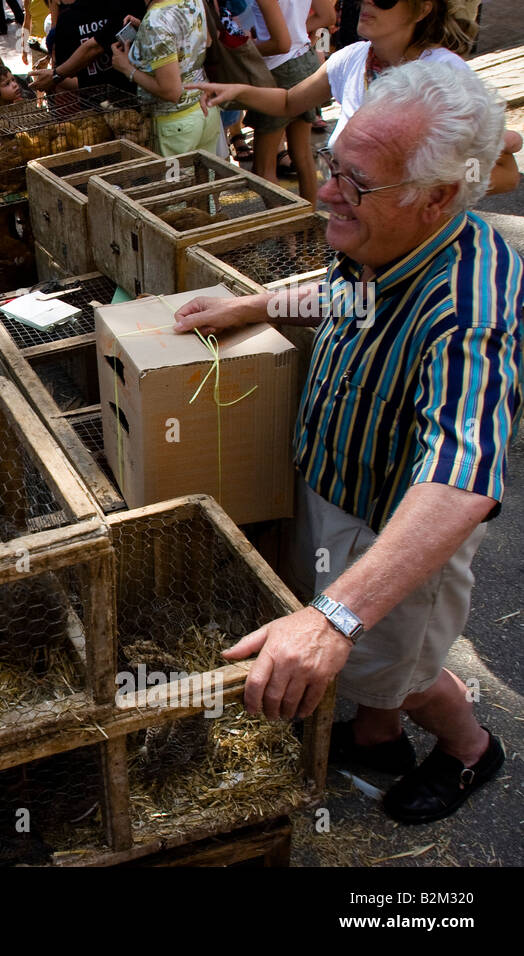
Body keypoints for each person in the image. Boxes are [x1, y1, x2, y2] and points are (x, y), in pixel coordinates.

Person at [173, 63, 520, 824]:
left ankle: (470, 750)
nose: (326, 190)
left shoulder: (471, 308)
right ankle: (376, 739)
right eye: (332, 164)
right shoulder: (387, 241)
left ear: (435, 198)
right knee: (370, 664)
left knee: (406, 668)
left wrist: (335, 618)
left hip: (397, 529)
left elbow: (463, 477)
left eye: (354, 182)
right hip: (334, 490)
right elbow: (341, 295)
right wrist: (251, 303)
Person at [189, 0, 520, 193]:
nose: (368, 2)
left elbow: (504, 174)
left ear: (422, 10)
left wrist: (423, 178)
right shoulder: (353, 59)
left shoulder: (448, 77)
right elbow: (290, 102)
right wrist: (238, 92)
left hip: (417, 248)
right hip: (356, 233)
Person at [243, 0, 336, 202]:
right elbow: (328, 16)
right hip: (304, 58)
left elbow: (280, 44)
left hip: (277, 71)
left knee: (264, 169)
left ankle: (286, 232)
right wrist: (297, 32)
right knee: (302, 154)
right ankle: (306, 226)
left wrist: (243, 48)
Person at [110, 0, 222, 155]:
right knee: (208, 178)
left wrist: (127, 68)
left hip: (176, 125)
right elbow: (203, 41)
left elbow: (171, 92)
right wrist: (145, 31)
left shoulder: (155, 21)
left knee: (175, 180)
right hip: (204, 111)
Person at [31, 0, 146, 93]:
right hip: (94, 108)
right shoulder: (66, 21)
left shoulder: (124, 4)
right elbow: (67, 76)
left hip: (136, 97)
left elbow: (94, 47)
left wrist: (55, 76)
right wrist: (54, 76)